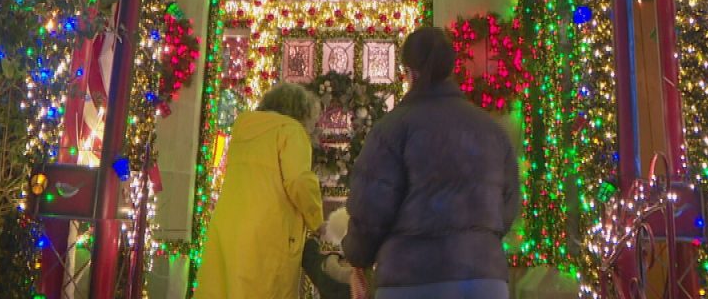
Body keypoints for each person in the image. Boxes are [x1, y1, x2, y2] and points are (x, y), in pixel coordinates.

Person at [342, 27, 520, 299]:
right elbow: (506, 206)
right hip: (484, 280)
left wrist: (358, 260)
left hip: (411, 279)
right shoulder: (492, 131)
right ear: (450, 68)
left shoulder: (392, 129)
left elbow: (371, 208)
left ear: (409, 71)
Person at [196, 82, 325, 299]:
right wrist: (316, 220)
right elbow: (298, 181)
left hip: (228, 229)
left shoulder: (243, 130)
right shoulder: (291, 131)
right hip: (268, 235)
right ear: (300, 112)